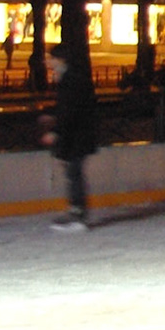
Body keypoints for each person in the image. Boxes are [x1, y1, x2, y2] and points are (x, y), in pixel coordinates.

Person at [42, 44, 97, 231]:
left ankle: (78, 214)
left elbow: (70, 110)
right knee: (73, 173)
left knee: (74, 173)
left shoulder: (70, 79)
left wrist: (56, 131)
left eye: (50, 58)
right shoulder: (70, 77)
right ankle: (76, 211)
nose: (47, 62)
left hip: (77, 135)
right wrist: (50, 113)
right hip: (78, 133)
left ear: (60, 60)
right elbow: (66, 106)